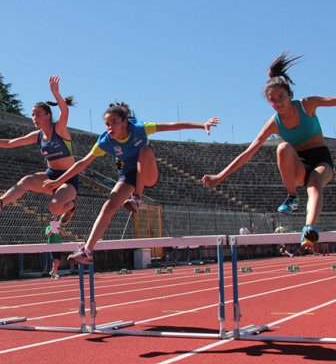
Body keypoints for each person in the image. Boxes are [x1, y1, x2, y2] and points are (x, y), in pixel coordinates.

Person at [202, 52, 336, 250]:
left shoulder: (307, 105)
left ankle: (309, 230)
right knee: (282, 147)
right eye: (272, 100)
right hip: (298, 164)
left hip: (322, 160)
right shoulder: (273, 123)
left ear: (290, 95)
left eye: (281, 97)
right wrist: (220, 176)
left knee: (315, 182)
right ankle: (292, 196)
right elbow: (249, 152)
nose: (277, 103)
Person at [43, 102, 219, 265]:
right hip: (128, 176)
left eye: (114, 122)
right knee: (108, 206)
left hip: (147, 172)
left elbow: (173, 126)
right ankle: (87, 250)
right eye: (107, 124)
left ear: (125, 123)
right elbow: (82, 163)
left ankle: (137, 199)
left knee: (145, 150)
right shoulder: (105, 141)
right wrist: (59, 180)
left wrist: (202, 124)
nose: (109, 127)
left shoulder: (140, 129)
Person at [0, 76, 79, 225]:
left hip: (68, 178)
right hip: (50, 176)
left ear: (48, 115)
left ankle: (71, 207)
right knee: (26, 181)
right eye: (32, 114)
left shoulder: (59, 129)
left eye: (38, 114)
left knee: (54, 208)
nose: (34, 118)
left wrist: (55, 93)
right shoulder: (37, 136)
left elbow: (64, 111)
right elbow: (10, 143)